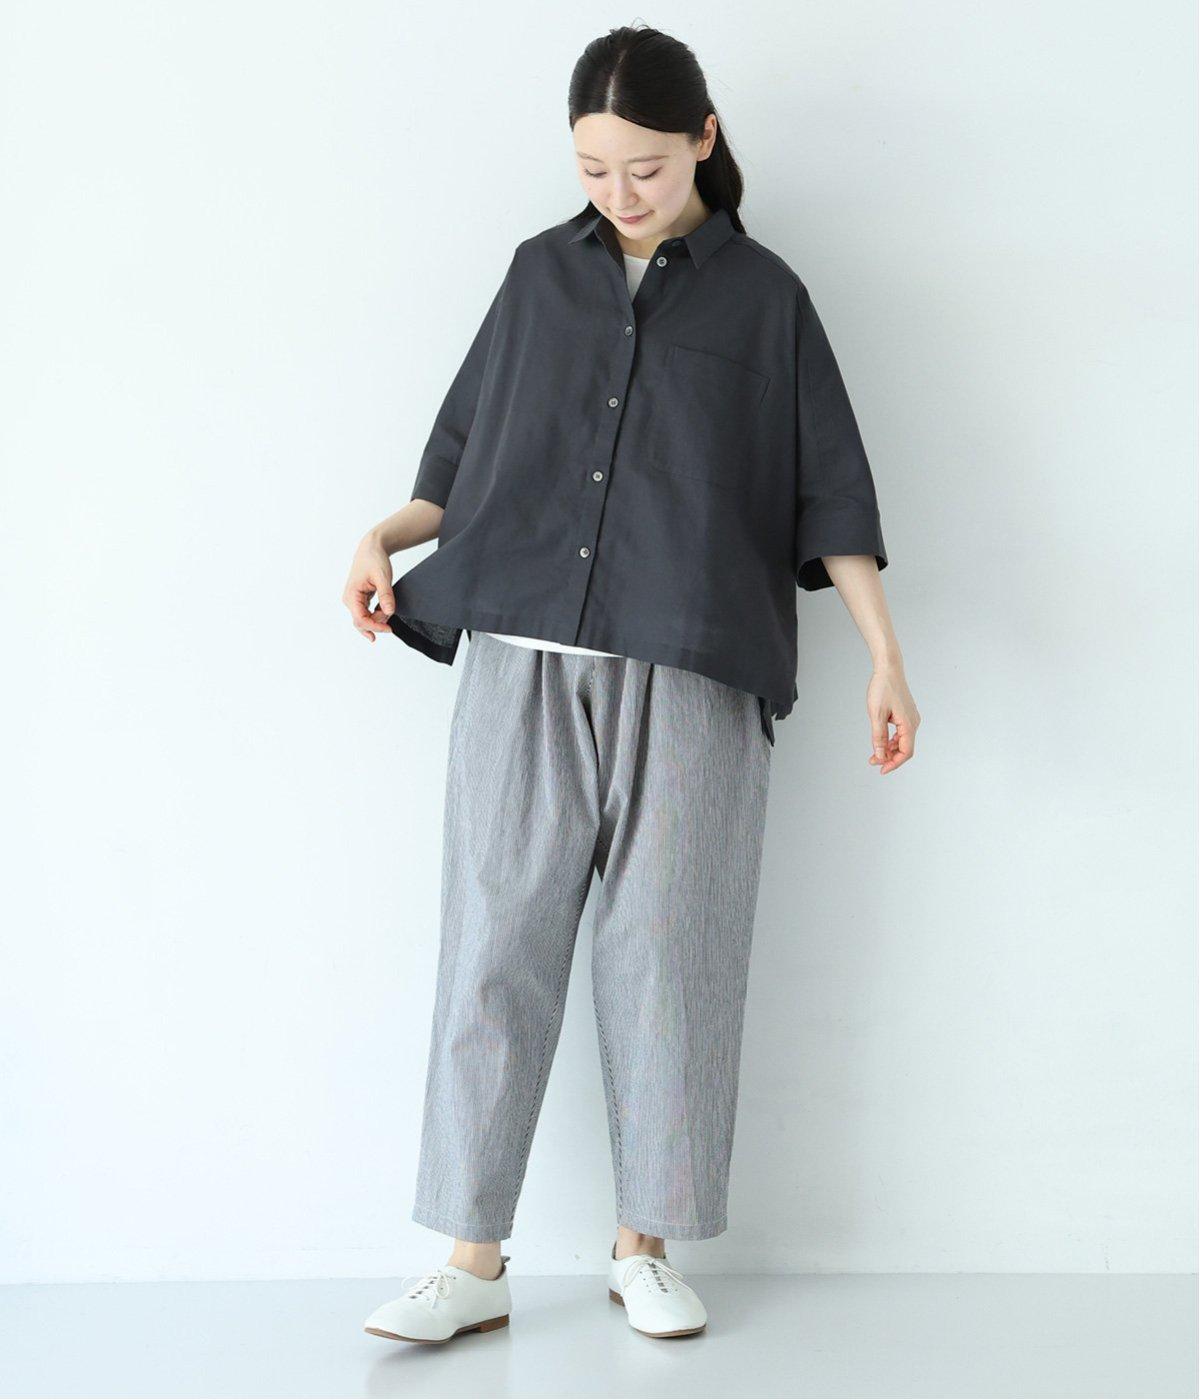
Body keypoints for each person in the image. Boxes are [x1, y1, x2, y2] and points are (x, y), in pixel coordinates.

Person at [344, 23, 920, 1345]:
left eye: (646, 168)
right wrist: (384, 534)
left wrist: (887, 657)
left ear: (705, 138)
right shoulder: (538, 277)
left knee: (670, 956)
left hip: (694, 669)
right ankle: (471, 1261)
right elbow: (463, 459)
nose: (621, 194)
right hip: (523, 664)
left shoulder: (767, 302)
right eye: (595, 170)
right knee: (492, 949)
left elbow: (830, 491)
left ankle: (641, 1247)